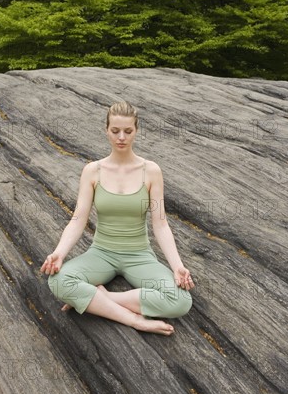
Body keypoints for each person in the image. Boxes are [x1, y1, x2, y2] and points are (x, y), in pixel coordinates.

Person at [40, 101, 195, 336]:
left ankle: (102, 299)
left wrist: (177, 266)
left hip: (140, 256)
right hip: (101, 253)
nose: (121, 137)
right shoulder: (93, 171)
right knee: (57, 281)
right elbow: (78, 219)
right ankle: (134, 320)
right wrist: (59, 254)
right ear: (106, 130)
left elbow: (160, 224)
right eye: (115, 131)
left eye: (128, 131)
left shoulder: (151, 171)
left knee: (181, 300)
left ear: (136, 131)